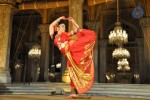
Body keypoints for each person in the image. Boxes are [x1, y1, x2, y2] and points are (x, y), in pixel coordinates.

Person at [49, 16, 96, 98]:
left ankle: (88, 42)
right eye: (62, 26)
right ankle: (74, 92)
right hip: (69, 54)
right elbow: (51, 26)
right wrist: (59, 18)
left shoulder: (66, 34)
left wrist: (73, 21)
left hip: (73, 46)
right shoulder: (55, 36)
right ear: (58, 28)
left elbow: (76, 29)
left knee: (91, 35)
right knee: (72, 72)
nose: (64, 28)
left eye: (64, 27)